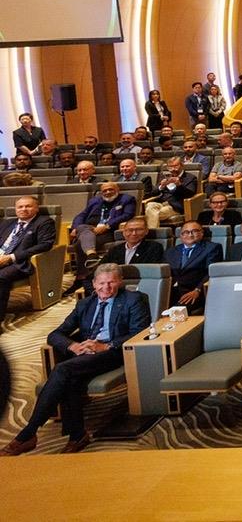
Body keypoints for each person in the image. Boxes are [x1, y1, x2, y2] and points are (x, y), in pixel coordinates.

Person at [0, 263, 149, 456]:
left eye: (111, 282)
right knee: (70, 379)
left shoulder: (133, 299)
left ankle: (28, 432)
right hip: (84, 355)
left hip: (115, 353)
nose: (106, 287)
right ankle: (77, 435)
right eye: (101, 283)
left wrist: (106, 346)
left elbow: (139, 331)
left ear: (120, 282)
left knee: (62, 370)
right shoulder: (85, 304)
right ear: (94, 284)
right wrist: (73, 346)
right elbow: (55, 335)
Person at [68, 181, 137, 295]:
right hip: (90, 229)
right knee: (82, 228)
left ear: (117, 190)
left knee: (79, 244)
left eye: (111, 189)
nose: (108, 192)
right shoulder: (95, 201)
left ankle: (81, 278)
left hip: (109, 232)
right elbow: (81, 215)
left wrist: (107, 226)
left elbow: (127, 215)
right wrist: (75, 227)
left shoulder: (127, 199)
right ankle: (91, 257)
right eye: (104, 190)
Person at [0, 195, 57, 316]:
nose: (24, 209)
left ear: (36, 208)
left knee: (1, 277)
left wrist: (11, 257)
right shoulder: (7, 223)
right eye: (20, 207)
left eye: (28, 206)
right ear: (15, 209)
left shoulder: (44, 222)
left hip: (20, 262)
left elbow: (45, 245)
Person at [164, 221, 223, 314]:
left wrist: (197, 290)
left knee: (176, 313)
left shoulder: (212, 248)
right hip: (171, 292)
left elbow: (211, 273)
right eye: (186, 232)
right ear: (181, 236)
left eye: (194, 231)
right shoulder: (171, 251)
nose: (190, 235)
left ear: (202, 233)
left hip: (194, 292)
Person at [143, 157, 197, 228]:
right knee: (150, 205)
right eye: (170, 167)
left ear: (182, 165)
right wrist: (161, 186)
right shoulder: (165, 176)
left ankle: (153, 233)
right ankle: (155, 232)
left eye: (176, 166)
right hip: (161, 203)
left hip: (175, 206)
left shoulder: (190, 178)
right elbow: (153, 193)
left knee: (151, 214)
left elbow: (190, 194)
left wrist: (179, 185)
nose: (173, 169)